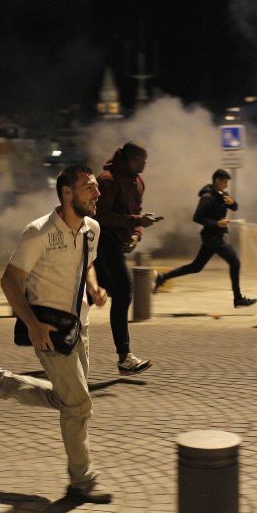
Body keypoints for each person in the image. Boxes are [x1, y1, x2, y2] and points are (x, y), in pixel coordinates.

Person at [0, 164, 112, 504]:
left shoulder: (91, 229)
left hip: (79, 326)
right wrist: (32, 325)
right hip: (49, 330)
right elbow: (10, 281)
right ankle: (81, 482)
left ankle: (4, 383)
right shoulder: (38, 232)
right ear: (67, 193)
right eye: (89, 187)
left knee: (67, 400)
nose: (97, 193)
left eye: (96, 187)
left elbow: (89, 264)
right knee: (80, 404)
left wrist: (95, 289)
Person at [93, 141, 160, 375]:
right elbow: (101, 217)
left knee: (94, 293)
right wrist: (136, 222)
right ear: (130, 159)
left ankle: (57, 336)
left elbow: (137, 212)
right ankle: (124, 357)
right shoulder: (107, 180)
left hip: (118, 243)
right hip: (101, 242)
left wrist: (136, 235)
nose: (144, 164)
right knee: (123, 291)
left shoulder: (138, 182)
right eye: (141, 160)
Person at [154, 169, 257, 308]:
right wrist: (216, 223)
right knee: (235, 262)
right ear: (217, 181)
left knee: (196, 266)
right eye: (225, 182)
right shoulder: (207, 197)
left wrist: (232, 202)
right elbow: (197, 217)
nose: (226, 185)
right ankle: (238, 298)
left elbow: (234, 207)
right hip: (212, 237)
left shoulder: (222, 194)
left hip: (215, 236)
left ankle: (162, 277)